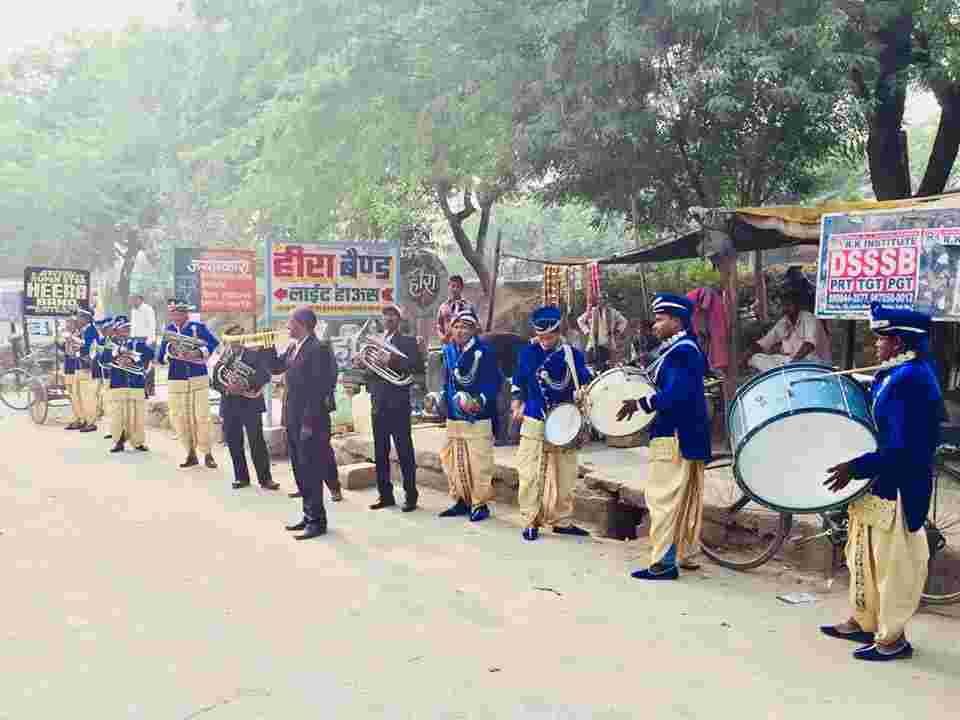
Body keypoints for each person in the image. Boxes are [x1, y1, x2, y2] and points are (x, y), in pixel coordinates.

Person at [821, 303, 942, 662]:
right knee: (862, 555)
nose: (877, 345)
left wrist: (855, 467)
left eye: (883, 338)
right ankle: (864, 620)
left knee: (893, 565)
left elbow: (902, 448)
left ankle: (892, 638)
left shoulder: (913, 379)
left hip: (900, 485)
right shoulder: (895, 373)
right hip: (878, 483)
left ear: (901, 341)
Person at [618, 294, 711, 580]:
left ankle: (663, 564)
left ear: (676, 320)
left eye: (660, 319)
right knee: (683, 498)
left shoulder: (682, 351)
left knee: (663, 498)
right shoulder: (684, 348)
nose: (655, 325)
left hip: (674, 434)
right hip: (686, 433)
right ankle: (684, 553)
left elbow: (677, 394)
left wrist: (641, 404)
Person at [510, 306, 593, 541]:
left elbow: (584, 383)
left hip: (565, 421)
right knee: (530, 473)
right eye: (541, 336)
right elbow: (518, 381)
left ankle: (562, 520)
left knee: (565, 475)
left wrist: (582, 395)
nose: (545, 341)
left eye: (549, 336)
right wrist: (517, 403)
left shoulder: (572, 354)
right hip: (536, 418)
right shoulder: (527, 353)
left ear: (558, 332)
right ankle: (530, 520)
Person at [270, 306, 339, 540]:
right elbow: (276, 367)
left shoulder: (318, 349)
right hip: (293, 417)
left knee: (311, 470)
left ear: (303, 324)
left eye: (290, 321)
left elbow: (320, 388)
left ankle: (317, 522)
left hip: (312, 419)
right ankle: (308, 515)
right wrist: (266, 345)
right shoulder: (293, 346)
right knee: (300, 469)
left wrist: (308, 423)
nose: (287, 326)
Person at [438, 308, 503, 521]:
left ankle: (479, 504)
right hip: (454, 416)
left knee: (479, 462)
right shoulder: (448, 351)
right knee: (454, 460)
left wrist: (480, 401)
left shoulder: (485, 351)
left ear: (474, 330)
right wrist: (443, 399)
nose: (460, 330)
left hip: (479, 415)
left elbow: (495, 382)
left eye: (465, 327)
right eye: (456, 326)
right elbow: (447, 380)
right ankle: (461, 501)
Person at [362, 304, 422, 511]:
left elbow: (417, 367)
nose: (388, 318)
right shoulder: (376, 341)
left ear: (399, 319)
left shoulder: (408, 341)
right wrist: (363, 363)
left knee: (404, 450)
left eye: (393, 315)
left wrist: (392, 360)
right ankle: (385, 495)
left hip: (398, 403)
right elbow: (371, 374)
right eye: (385, 315)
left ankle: (411, 495)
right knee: (380, 451)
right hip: (378, 403)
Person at [214, 325, 280, 491]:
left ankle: (265, 479)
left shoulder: (254, 354)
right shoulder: (224, 357)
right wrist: (227, 388)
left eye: (240, 336)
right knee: (234, 442)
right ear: (228, 340)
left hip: (251, 404)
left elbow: (265, 375)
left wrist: (245, 385)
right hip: (230, 404)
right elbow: (215, 380)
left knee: (257, 442)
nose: (238, 340)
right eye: (234, 337)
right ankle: (241, 477)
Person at [157, 300, 219, 469]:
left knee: (202, 417)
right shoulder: (169, 330)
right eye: (174, 313)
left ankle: (207, 453)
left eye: (180, 313)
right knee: (179, 417)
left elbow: (214, 343)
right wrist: (171, 353)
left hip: (198, 376)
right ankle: (190, 453)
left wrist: (197, 352)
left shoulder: (198, 327)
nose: (176, 316)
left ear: (186, 314)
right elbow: (160, 356)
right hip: (176, 379)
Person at [742, 286, 831, 372]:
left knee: (783, 365)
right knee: (756, 358)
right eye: (783, 305)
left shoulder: (809, 318)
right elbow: (764, 342)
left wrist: (792, 363)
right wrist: (746, 355)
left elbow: (809, 345)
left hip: (814, 365)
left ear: (797, 305)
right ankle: (781, 373)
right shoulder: (784, 321)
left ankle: (782, 373)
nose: (785, 308)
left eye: (788, 305)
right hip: (792, 363)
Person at [107, 317, 153, 453]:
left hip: (136, 384)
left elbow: (150, 354)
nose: (126, 331)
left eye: (128, 328)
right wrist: (117, 355)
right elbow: (102, 360)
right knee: (118, 415)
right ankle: (119, 441)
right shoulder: (110, 344)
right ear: (116, 331)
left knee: (137, 415)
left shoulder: (137, 343)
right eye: (123, 328)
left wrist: (134, 359)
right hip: (118, 383)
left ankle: (138, 442)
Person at [576, 294, 627, 370]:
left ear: (607, 300)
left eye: (604, 299)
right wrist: (587, 331)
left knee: (608, 369)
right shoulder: (592, 311)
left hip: (608, 345)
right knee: (593, 368)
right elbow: (580, 320)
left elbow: (624, 321)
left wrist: (617, 331)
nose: (602, 301)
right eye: (600, 299)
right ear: (598, 301)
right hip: (593, 344)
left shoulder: (612, 312)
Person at [73, 305, 101, 433]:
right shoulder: (82, 330)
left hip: (88, 367)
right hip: (79, 366)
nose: (77, 319)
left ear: (86, 318)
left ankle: (91, 422)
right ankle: (82, 419)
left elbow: (90, 350)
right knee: (78, 394)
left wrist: (76, 344)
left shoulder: (91, 331)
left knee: (88, 396)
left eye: (79, 316)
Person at [130, 294, 158, 398]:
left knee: (148, 366)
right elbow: (133, 327)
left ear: (140, 299)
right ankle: (141, 388)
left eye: (134, 299)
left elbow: (152, 326)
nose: (132, 302)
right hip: (135, 340)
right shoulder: (133, 311)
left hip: (146, 340)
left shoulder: (148, 309)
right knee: (137, 364)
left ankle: (151, 389)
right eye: (131, 300)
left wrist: (149, 342)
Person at [435, 276, 478, 344]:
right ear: (448, 287)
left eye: (458, 287)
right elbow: (438, 326)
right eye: (453, 286)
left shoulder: (468, 306)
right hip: (448, 344)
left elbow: (476, 325)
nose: (455, 289)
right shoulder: (443, 307)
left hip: (465, 345)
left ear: (461, 288)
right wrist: (442, 338)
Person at [59, 318, 83, 431]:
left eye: (70, 323)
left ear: (75, 325)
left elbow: (77, 351)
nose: (68, 325)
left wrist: (71, 339)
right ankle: (77, 417)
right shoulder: (66, 334)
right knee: (71, 395)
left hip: (76, 368)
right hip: (68, 366)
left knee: (76, 394)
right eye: (67, 323)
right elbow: (63, 348)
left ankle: (80, 419)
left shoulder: (79, 335)